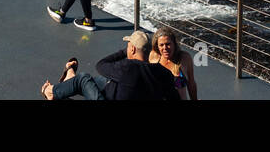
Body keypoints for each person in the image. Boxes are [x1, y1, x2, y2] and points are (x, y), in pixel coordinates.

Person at [41, 30, 179, 101]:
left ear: (132, 49)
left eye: (128, 46)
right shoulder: (164, 73)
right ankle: (70, 78)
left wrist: (124, 52)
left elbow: (101, 65)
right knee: (102, 81)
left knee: (83, 79)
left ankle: (51, 91)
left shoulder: (129, 67)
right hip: (116, 90)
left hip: (112, 95)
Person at [149, 26, 199, 100]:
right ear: (157, 46)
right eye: (161, 45)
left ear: (174, 44)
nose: (165, 48)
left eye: (168, 44)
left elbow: (191, 83)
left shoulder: (184, 58)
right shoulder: (153, 56)